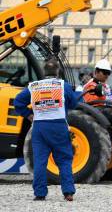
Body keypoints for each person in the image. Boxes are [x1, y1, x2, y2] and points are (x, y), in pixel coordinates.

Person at [14, 59, 78, 201]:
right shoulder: (63, 85)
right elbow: (74, 104)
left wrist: (28, 114)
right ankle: (68, 192)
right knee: (64, 160)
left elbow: (17, 102)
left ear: (43, 72)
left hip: (39, 127)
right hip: (58, 126)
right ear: (57, 71)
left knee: (40, 161)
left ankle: (40, 193)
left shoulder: (33, 86)